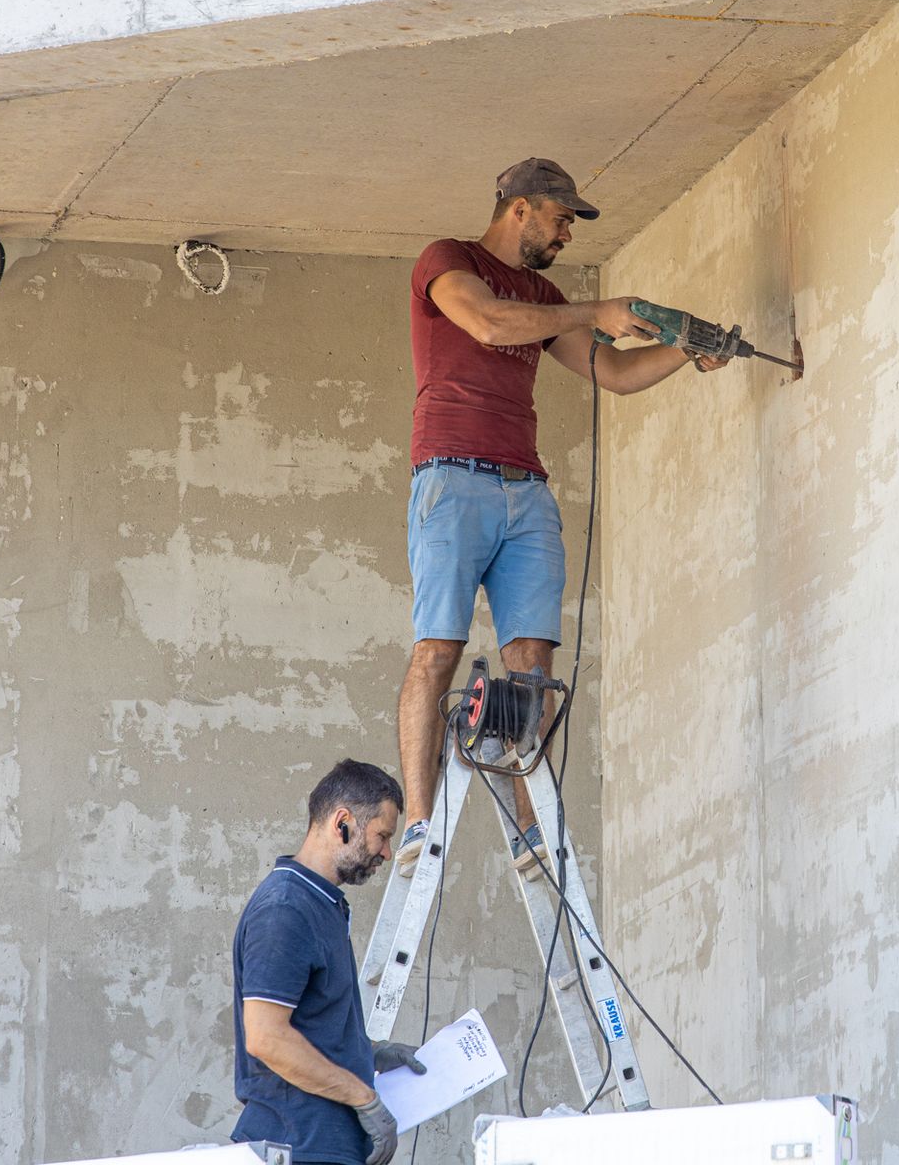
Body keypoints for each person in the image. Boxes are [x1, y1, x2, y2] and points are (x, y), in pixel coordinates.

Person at [396, 157, 725, 877]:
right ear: (520, 208)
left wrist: (684, 350)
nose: (568, 232)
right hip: (452, 478)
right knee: (438, 650)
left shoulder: (542, 296)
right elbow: (487, 323)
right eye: (562, 217)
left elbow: (616, 372)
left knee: (533, 667)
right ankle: (420, 822)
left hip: (526, 491)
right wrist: (594, 311)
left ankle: (529, 830)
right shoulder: (448, 260)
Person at [232, 759, 425, 1165]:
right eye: (382, 835)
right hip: (296, 1146)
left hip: (318, 1145)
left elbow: (310, 1026)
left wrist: (368, 1053)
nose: (387, 852)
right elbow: (266, 1037)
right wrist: (364, 1097)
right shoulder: (286, 908)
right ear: (343, 823)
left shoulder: (320, 904)